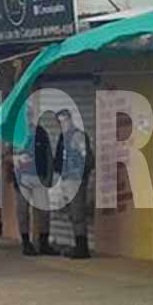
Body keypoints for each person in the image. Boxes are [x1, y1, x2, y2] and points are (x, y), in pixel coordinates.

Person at [54, 109, 94, 259]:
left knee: (78, 213)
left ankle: (82, 248)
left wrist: (80, 175)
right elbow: (59, 158)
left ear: (70, 120)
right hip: (66, 179)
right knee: (72, 213)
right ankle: (78, 244)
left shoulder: (78, 136)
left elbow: (86, 159)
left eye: (64, 121)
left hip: (76, 180)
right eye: (60, 122)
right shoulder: (63, 137)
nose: (62, 124)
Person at [14, 124, 58, 256]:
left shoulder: (41, 132)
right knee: (22, 211)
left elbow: (48, 156)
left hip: (40, 178)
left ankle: (43, 242)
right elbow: (6, 155)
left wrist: (48, 178)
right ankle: (26, 242)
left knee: (43, 211)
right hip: (22, 179)